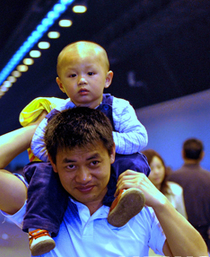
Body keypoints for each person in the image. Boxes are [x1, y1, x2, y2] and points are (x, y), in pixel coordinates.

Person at [0, 107, 207, 256]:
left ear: (112, 153)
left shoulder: (136, 207)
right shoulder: (41, 203)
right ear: (52, 162)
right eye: (70, 165)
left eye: (94, 163)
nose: (83, 178)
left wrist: (161, 204)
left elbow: (196, 255)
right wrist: (44, 124)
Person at [19, 41, 149, 254]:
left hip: (110, 165)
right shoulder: (58, 112)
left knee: (135, 160)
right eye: (72, 76)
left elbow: (140, 137)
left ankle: (122, 198)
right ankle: (39, 228)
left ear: (107, 79)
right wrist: (57, 158)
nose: (82, 81)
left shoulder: (119, 107)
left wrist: (103, 142)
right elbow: (37, 143)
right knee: (41, 173)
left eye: (90, 73)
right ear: (61, 85)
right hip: (69, 173)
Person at [168, 138, 210, 255]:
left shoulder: (173, 178)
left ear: (182, 153)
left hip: (178, 234)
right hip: (204, 235)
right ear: (202, 155)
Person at [143, 149, 186, 218]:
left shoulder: (175, 190)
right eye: (151, 169)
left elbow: (183, 219)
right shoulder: (140, 196)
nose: (156, 172)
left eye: (159, 167)